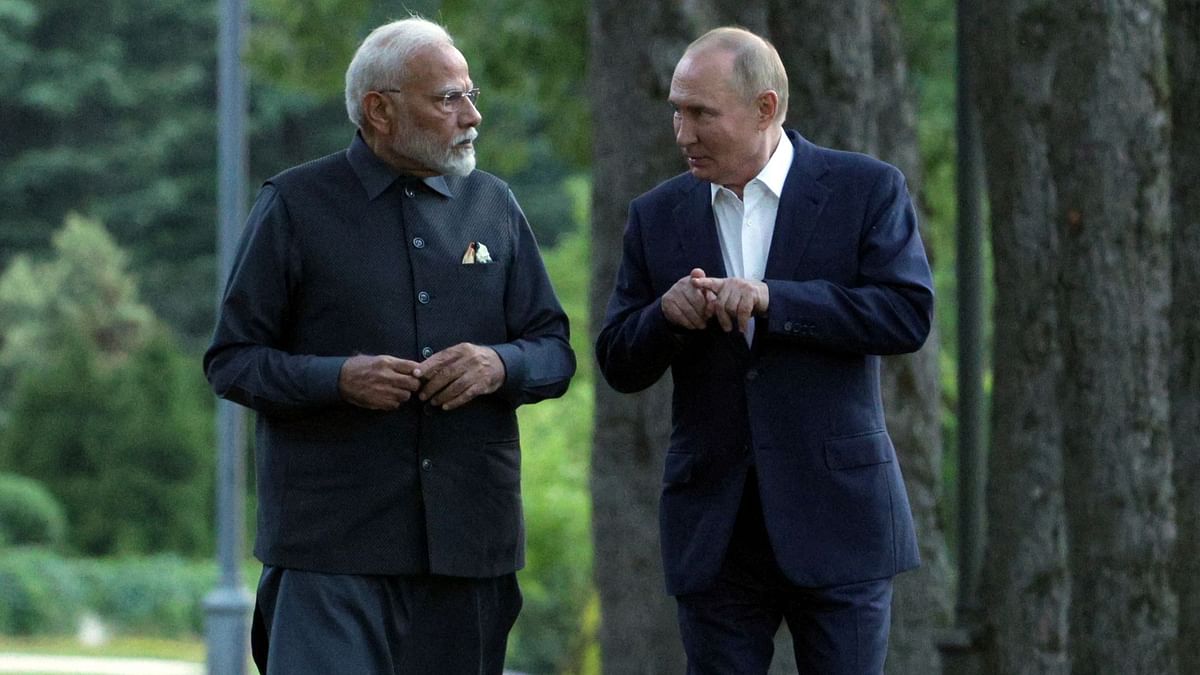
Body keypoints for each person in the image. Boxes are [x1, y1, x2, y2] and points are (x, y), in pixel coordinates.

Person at [204, 17, 575, 674]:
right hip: (331, 553)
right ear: (380, 109)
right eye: (447, 99)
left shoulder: (495, 204)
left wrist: (500, 364)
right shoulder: (294, 204)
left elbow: (554, 350)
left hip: (470, 550)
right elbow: (232, 360)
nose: (471, 115)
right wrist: (335, 378)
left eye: (471, 94)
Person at [595, 26, 933, 674]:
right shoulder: (657, 214)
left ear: (766, 108)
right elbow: (617, 357)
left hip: (840, 520)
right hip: (715, 532)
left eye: (701, 114)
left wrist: (776, 299)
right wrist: (665, 316)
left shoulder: (867, 189)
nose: (682, 133)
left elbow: (906, 314)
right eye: (676, 110)